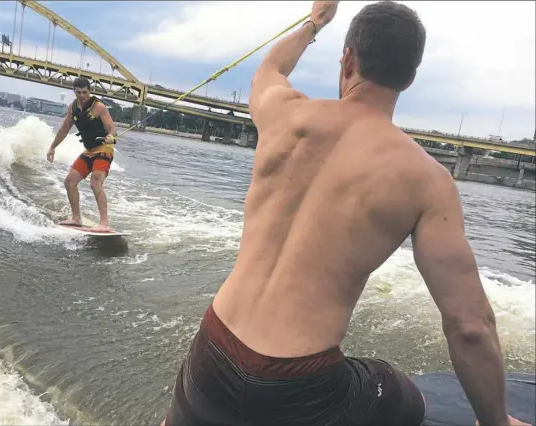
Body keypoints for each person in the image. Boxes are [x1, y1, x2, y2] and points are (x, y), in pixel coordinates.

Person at [162, 2, 530, 426]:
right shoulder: (425, 179)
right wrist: (496, 422)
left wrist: (315, 22)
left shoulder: (285, 115)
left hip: (211, 352)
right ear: (410, 78)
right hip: (297, 388)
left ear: (348, 59)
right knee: (399, 391)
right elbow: (470, 326)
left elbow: (268, 70)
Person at [46, 77, 117, 233]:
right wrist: (52, 147)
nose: (82, 95)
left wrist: (111, 135)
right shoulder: (72, 108)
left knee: (95, 181)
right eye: (78, 92)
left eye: (85, 92)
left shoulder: (99, 106)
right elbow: (64, 130)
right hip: (89, 151)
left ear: (89, 91)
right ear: (74, 92)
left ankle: (104, 224)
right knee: (69, 181)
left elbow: (112, 128)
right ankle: (76, 218)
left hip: (104, 149)